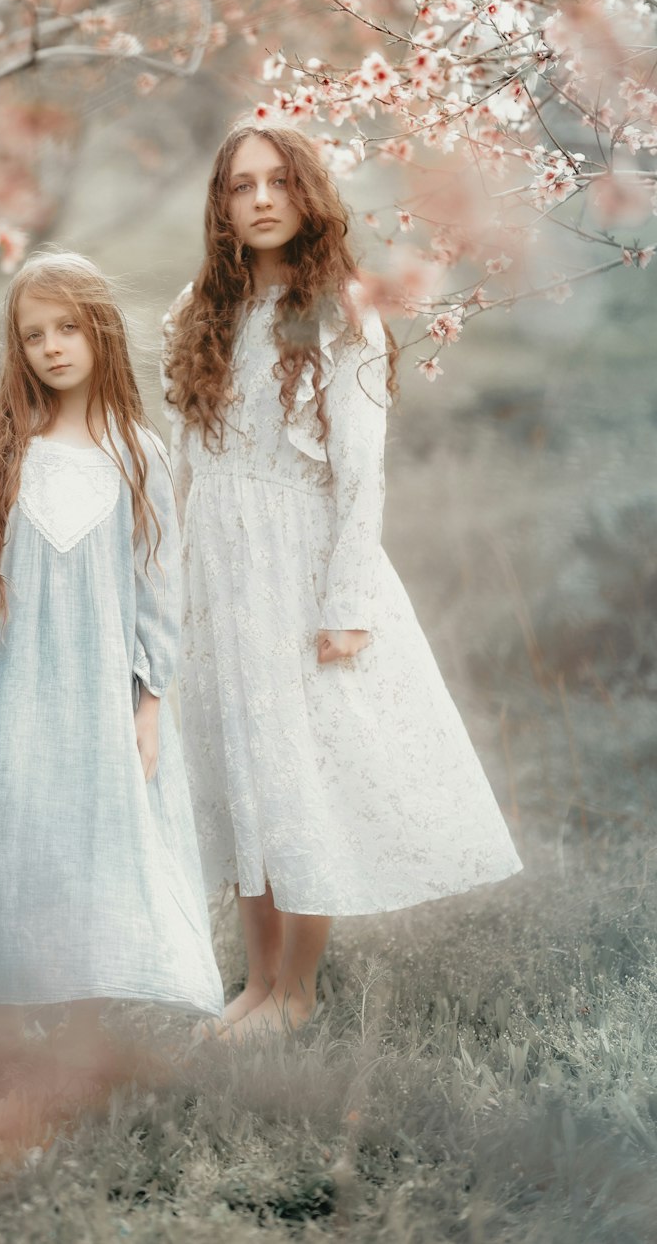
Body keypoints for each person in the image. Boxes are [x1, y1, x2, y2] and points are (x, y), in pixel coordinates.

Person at [162, 122, 522, 1041]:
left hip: (297, 558)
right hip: (217, 566)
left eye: (280, 182)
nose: (262, 200)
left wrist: (347, 604)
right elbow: (185, 465)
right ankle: (253, 983)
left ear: (308, 194)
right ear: (222, 206)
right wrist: (166, 574)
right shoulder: (200, 311)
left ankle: (295, 994)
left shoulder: (339, 312)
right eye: (241, 187)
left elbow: (362, 474)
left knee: (297, 774)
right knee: (240, 766)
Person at [0, 251, 223, 1060]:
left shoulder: (136, 453)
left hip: (96, 692)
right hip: (6, 680)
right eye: (33, 334)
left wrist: (151, 701)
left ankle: (85, 1027)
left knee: (89, 842)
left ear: (101, 332)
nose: (52, 346)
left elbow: (158, 584)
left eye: (68, 327)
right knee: (8, 836)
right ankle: (3, 1025)